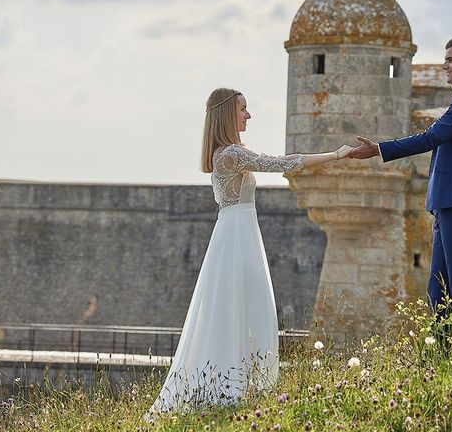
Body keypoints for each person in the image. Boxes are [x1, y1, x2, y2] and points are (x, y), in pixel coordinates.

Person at [145, 88, 353, 416]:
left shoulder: (227, 153)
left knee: (241, 310)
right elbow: (283, 163)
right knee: (244, 310)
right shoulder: (231, 154)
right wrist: (336, 155)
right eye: (243, 109)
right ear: (228, 113)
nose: (248, 115)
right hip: (237, 238)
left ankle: (236, 388)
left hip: (237, 233)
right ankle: (229, 391)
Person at [349, 37, 452, 333]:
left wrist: (380, 149)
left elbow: (431, 137)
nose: (444, 65)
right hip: (448, 203)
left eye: (450, 60)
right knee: (438, 289)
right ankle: (441, 357)